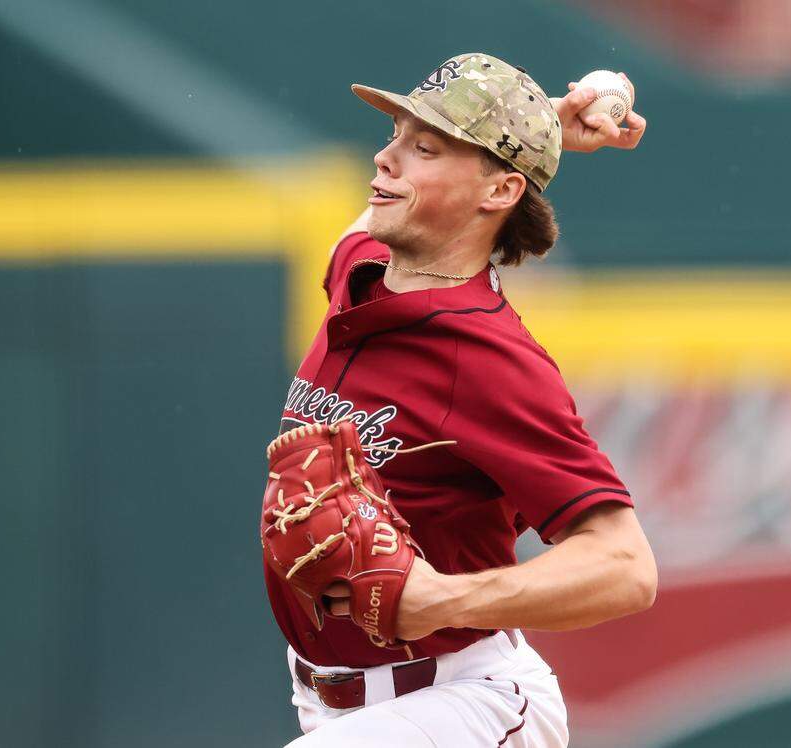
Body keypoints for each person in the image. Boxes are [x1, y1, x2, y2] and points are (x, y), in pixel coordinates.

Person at [267, 53, 653, 748]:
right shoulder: (360, 268)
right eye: (395, 135)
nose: (385, 159)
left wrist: (440, 600)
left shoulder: (488, 358)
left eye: (423, 147)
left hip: (464, 702)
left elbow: (624, 567)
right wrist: (552, 129)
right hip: (337, 705)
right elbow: (401, 208)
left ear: (499, 192)